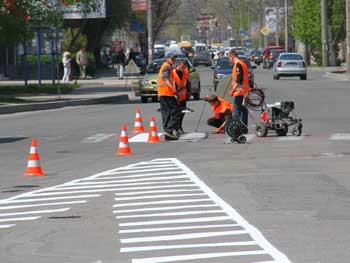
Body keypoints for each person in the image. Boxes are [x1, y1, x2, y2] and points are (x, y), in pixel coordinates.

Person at [157, 52, 182, 140]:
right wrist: (173, 89)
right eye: (172, 58)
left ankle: (168, 133)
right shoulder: (166, 66)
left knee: (166, 113)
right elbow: (165, 78)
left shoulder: (167, 66)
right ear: (167, 58)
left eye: (174, 58)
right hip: (167, 93)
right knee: (177, 112)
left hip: (163, 93)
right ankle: (168, 130)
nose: (173, 60)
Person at [228, 49, 250, 133]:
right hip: (244, 91)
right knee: (243, 110)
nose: (229, 60)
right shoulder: (242, 63)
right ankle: (244, 128)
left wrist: (232, 90)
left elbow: (239, 80)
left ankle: (236, 128)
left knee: (236, 111)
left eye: (229, 58)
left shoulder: (238, 64)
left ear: (232, 56)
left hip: (239, 91)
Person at [173, 60, 190, 134]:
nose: (183, 69)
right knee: (177, 113)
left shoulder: (185, 72)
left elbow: (187, 82)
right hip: (175, 96)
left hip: (183, 96)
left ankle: (179, 127)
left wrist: (189, 91)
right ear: (178, 66)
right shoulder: (173, 73)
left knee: (182, 112)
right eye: (182, 67)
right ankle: (177, 128)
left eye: (184, 67)